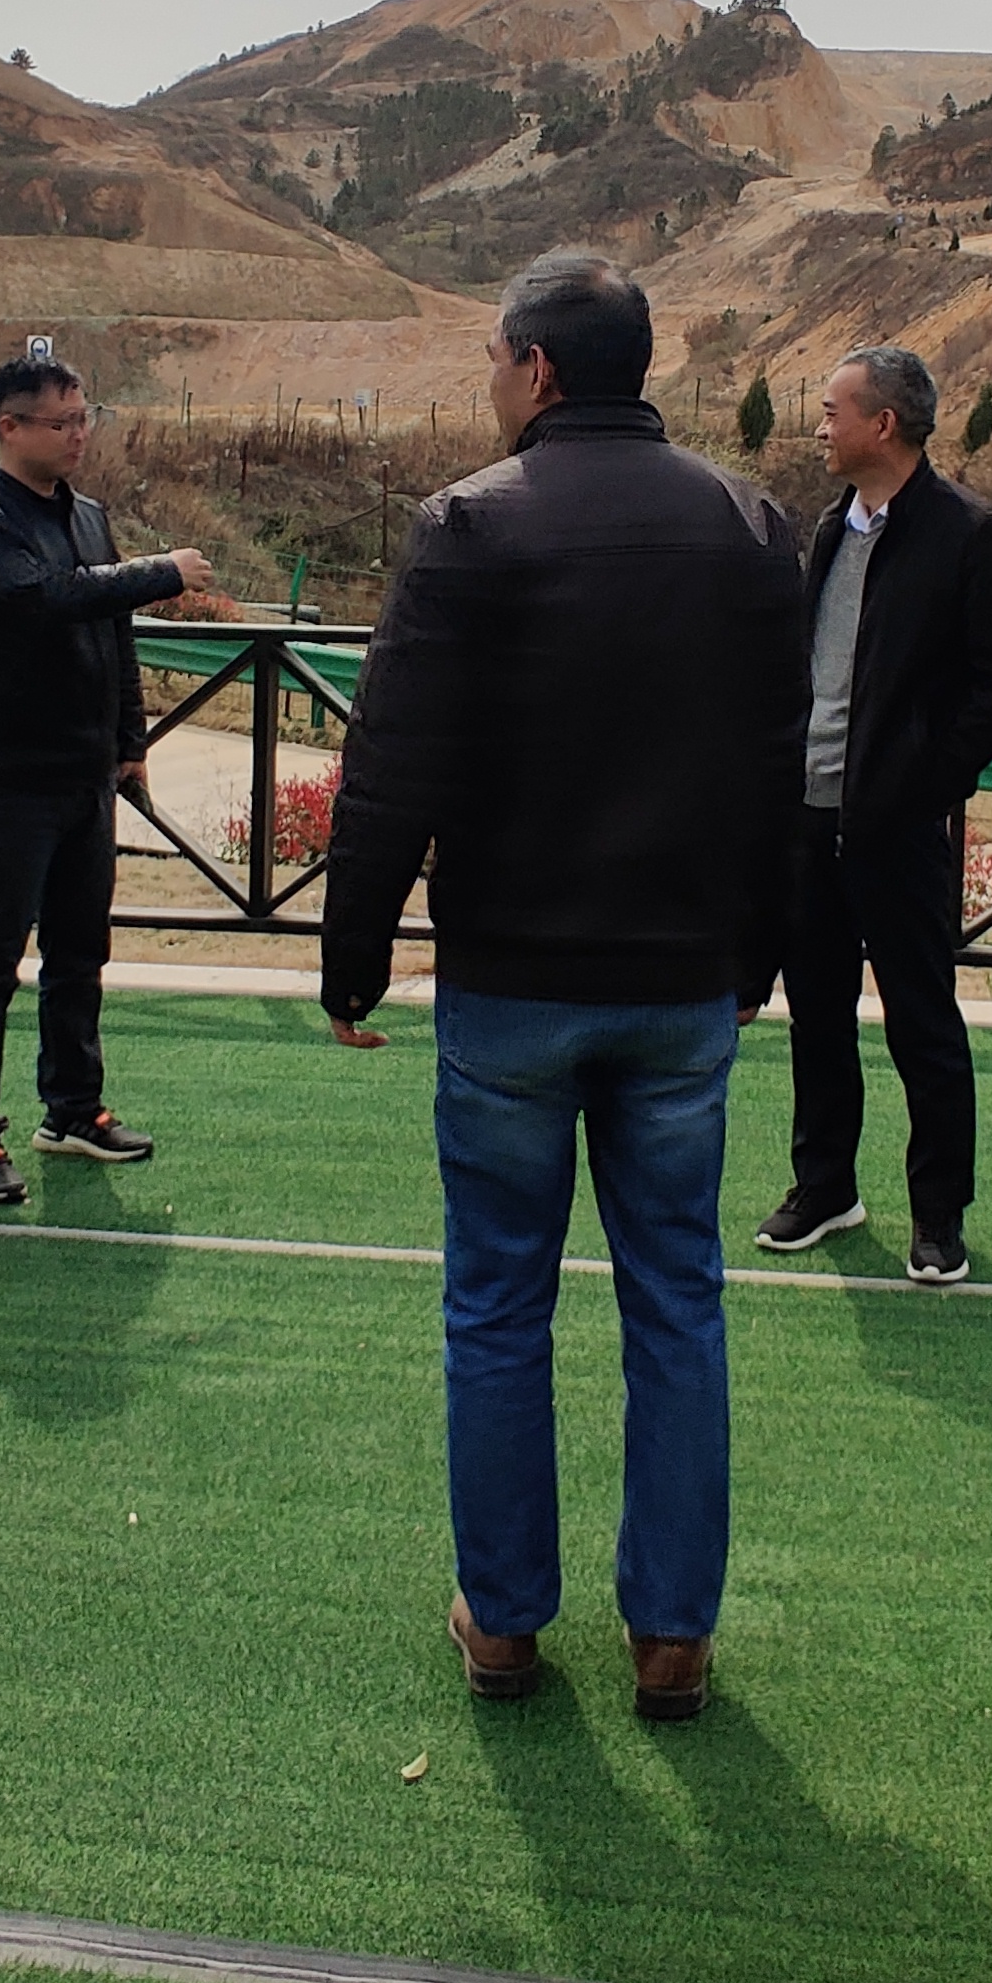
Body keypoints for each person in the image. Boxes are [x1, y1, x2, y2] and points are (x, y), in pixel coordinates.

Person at [322, 251, 808, 1723]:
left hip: (512, 988)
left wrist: (354, 959)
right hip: (680, 987)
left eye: (495, 359)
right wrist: (755, 956)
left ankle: (505, 1621)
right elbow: (777, 771)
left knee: (495, 1305)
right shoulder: (749, 523)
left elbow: (391, 762)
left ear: (535, 369)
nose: (492, 381)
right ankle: (673, 1635)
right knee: (679, 1303)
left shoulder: (470, 524)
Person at [755, 345, 992, 1284]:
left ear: (883, 425)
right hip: (811, 816)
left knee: (923, 1023)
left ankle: (938, 1216)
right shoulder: (830, 530)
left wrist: (927, 780)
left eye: (831, 411)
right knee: (818, 1017)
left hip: (901, 827)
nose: (819, 427)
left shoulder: (972, 533)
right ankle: (824, 1188)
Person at [0, 350, 231, 1203]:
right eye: (60, 422)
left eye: (83, 418)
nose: (77, 435)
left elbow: (113, 632)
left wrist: (130, 737)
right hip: (9, 782)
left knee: (78, 955)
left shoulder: (89, 515)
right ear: (9, 427)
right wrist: (159, 572)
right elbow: (47, 598)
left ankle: (72, 1109)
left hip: (83, 777)